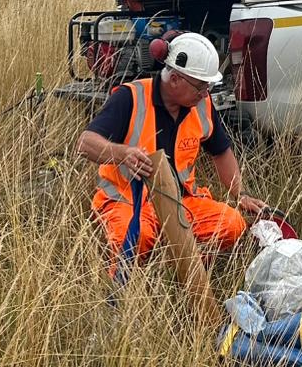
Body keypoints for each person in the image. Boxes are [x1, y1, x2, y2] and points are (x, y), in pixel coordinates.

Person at [77, 31, 266, 264]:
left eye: (207, 86)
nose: (204, 93)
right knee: (136, 239)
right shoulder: (131, 96)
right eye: (200, 86)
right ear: (175, 78)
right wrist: (122, 154)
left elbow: (221, 151)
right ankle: (139, 273)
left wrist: (240, 194)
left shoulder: (202, 105)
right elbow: (86, 143)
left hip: (181, 201)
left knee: (232, 224)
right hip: (127, 201)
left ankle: (180, 267)